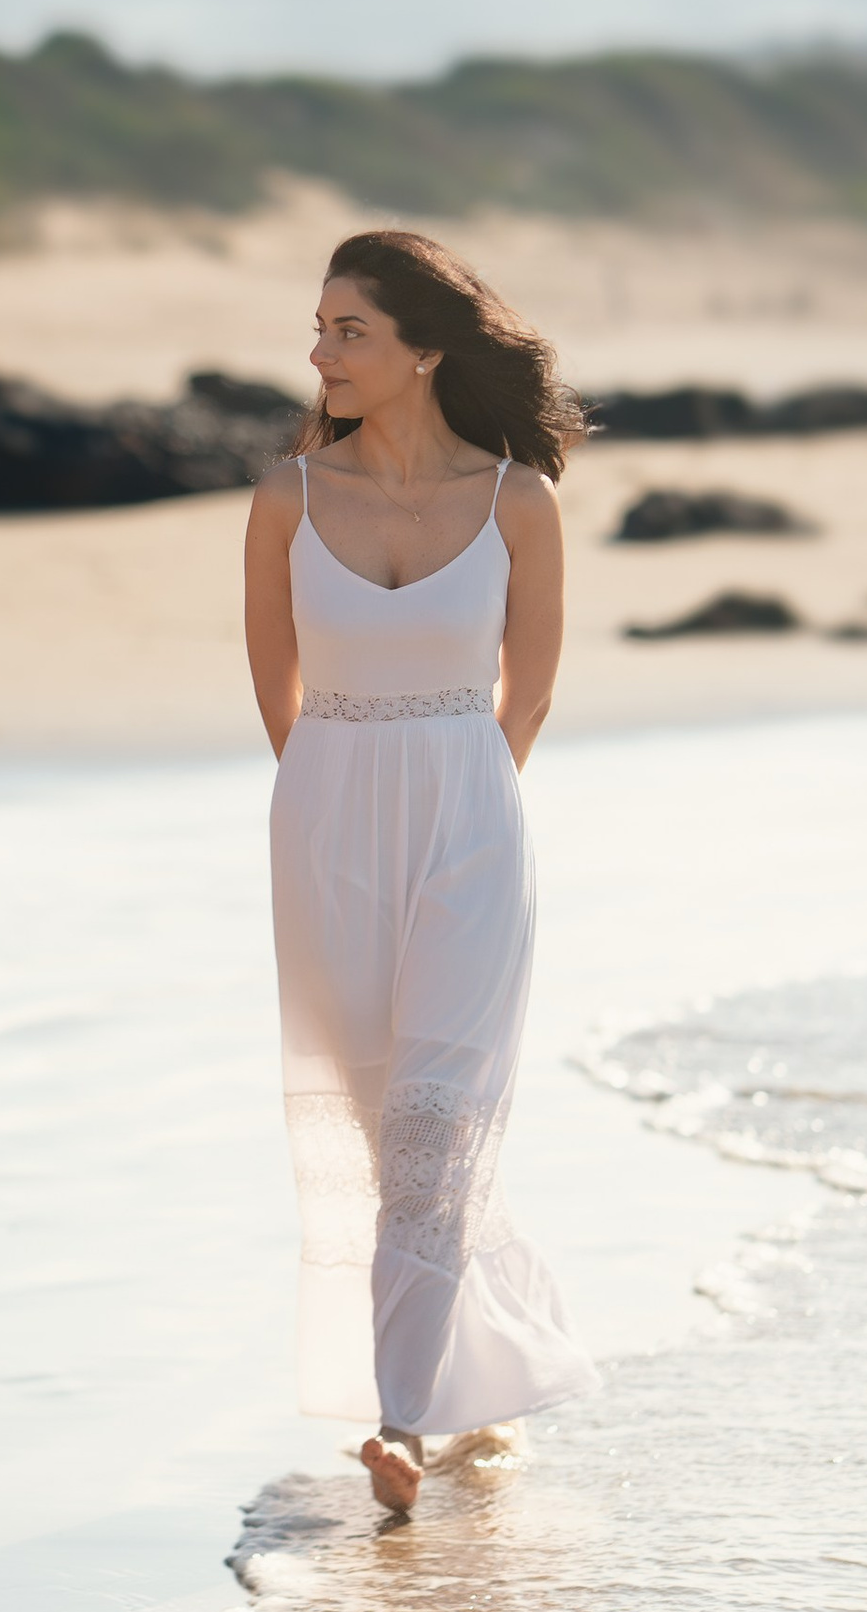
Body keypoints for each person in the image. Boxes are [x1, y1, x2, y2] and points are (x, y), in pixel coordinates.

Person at [242, 228, 599, 1515]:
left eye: (350, 331)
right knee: (375, 1122)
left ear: (426, 351)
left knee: (433, 1122)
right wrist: (337, 801)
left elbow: (529, 695)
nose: (322, 354)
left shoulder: (518, 502)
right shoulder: (287, 496)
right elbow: (275, 691)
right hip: (324, 824)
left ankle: (395, 1419)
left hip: (473, 826)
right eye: (320, 329)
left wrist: (462, 800)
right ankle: (474, 1369)